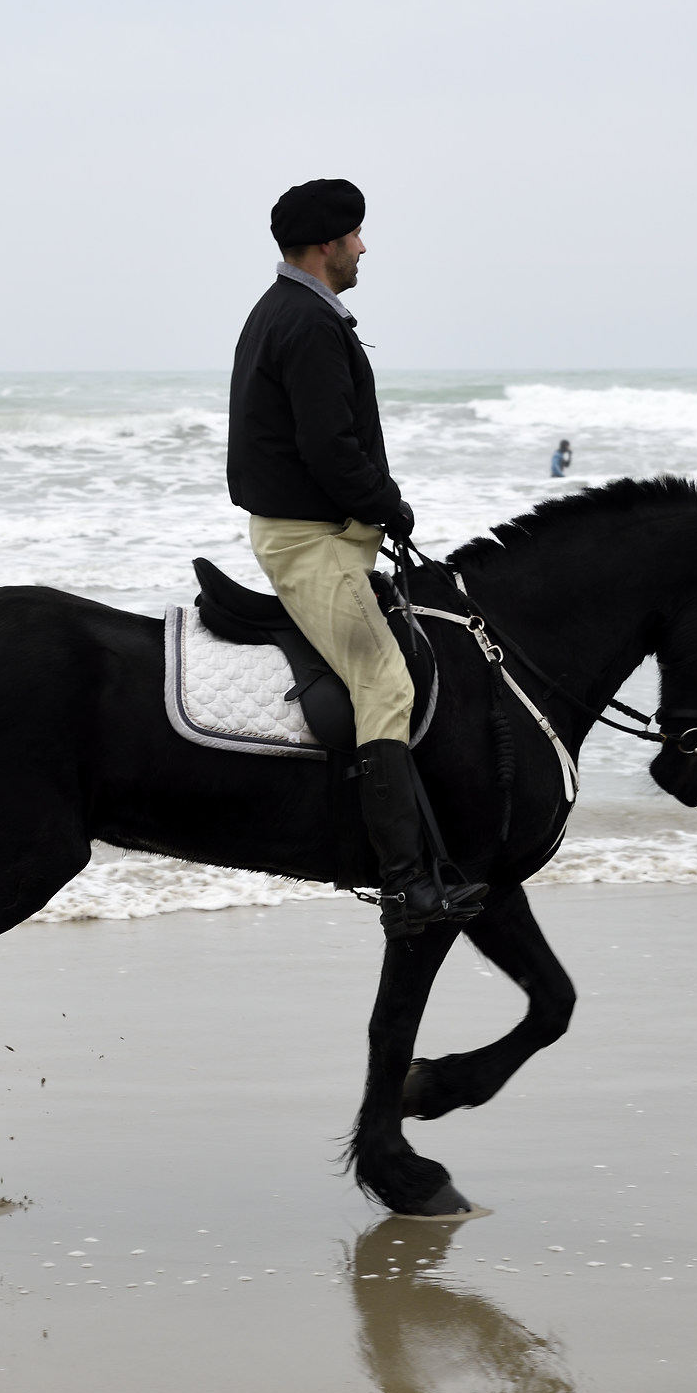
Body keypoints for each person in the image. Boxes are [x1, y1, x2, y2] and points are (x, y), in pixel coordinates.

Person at [227, 178, 481, 938]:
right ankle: (405, 886)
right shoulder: (306, 322)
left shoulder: (291, 310)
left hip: (320, 533)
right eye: (355, 237)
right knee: (385, 685)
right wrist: (388, 503)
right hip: (311, 543)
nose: (364, 248)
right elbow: (328, 448)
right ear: (325, 246)